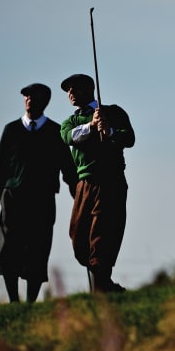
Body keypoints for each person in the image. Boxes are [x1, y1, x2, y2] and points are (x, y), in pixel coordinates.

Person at [0, 83, 78, 303]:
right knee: (8, 246)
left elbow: (68, 167)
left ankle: (30, 303)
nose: (29, 100)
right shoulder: (11, 130)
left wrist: (76, 191)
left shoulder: (55, 132)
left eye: (33, 96)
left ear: (44, 101)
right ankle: (13, 301)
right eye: (26, 96)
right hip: (13, 197)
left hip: (42, 199)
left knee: (38, 246)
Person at [59, 74, 135, 293]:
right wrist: (92, 126)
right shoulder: (71, 121)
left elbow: (129, 138)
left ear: (88, 89)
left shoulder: (113, 112)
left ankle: (101, 286)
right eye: (68, 91)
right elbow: (69, 137)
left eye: (74, 89)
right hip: (84, 183)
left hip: (110, 179)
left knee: (103, 233)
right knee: (78, 236)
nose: (70, 94)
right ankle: (105, 283)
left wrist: (109, 131)